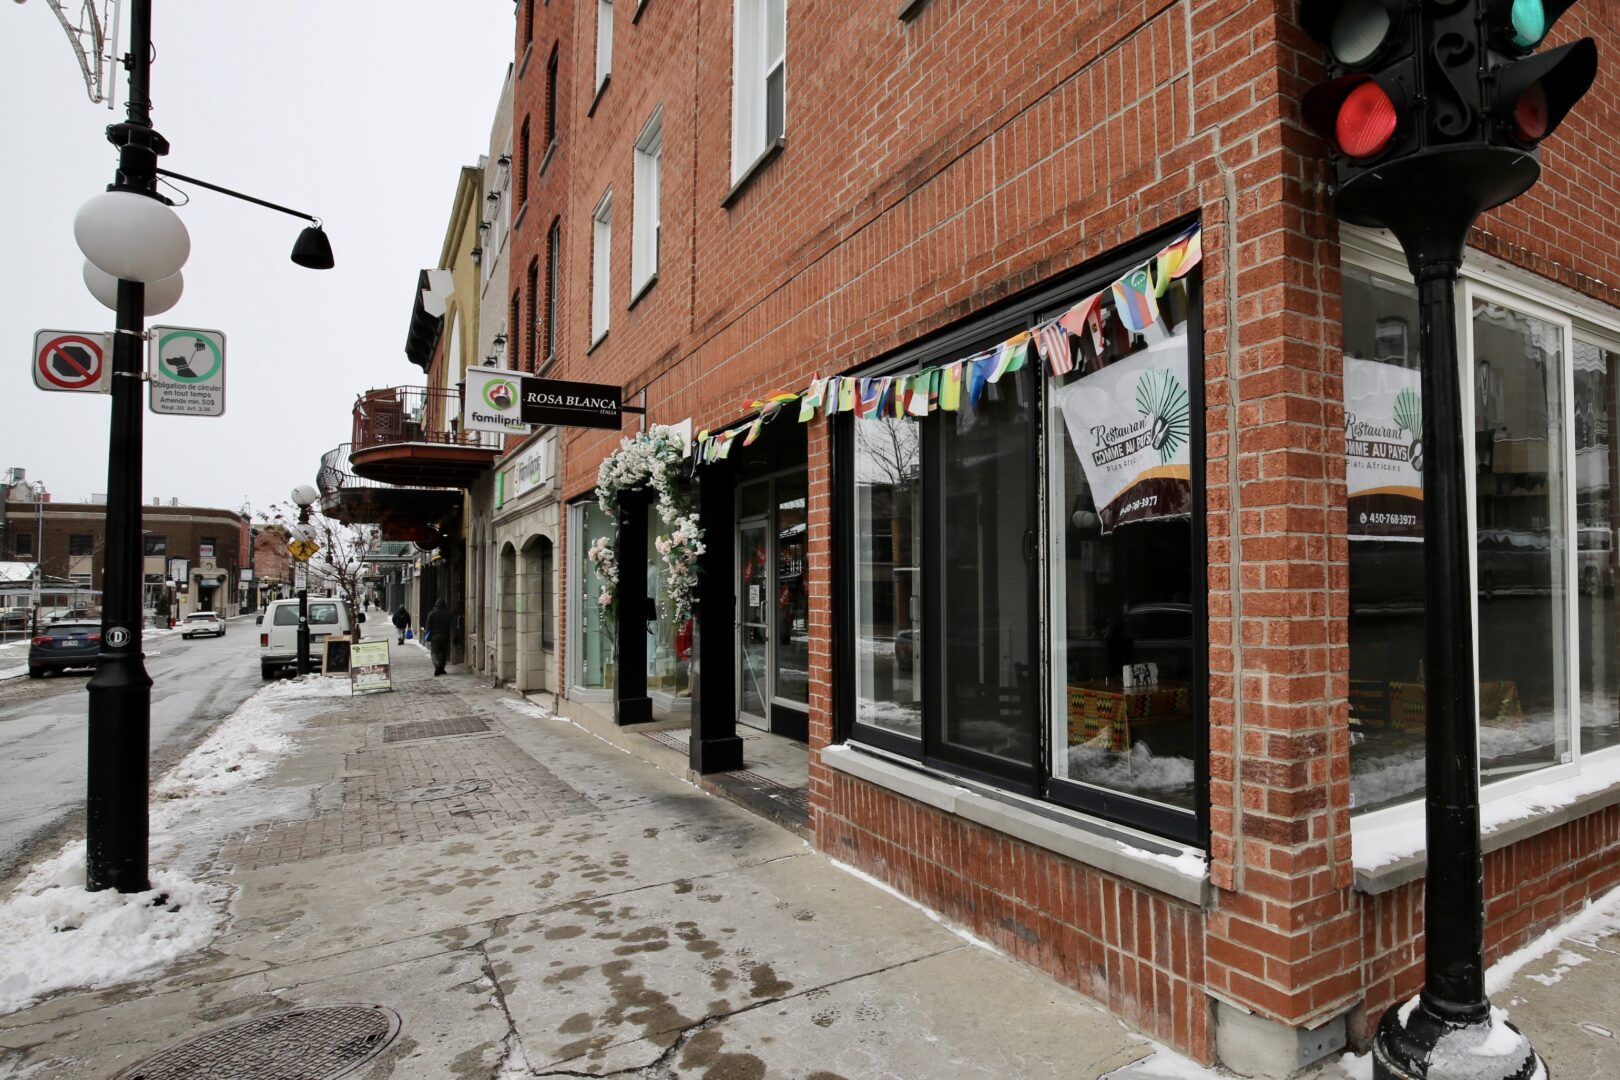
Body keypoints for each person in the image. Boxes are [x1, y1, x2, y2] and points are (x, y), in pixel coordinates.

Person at [425, 598, 454, 676]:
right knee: (443, 653)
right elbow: (452, 627)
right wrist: (454, 636)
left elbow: (428, 626)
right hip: (445, 635)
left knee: (434, 652)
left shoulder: (431, 614)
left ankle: (437, 665)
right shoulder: (449, 614)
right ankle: (441, 668)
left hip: (435, 636)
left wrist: (427, 634)